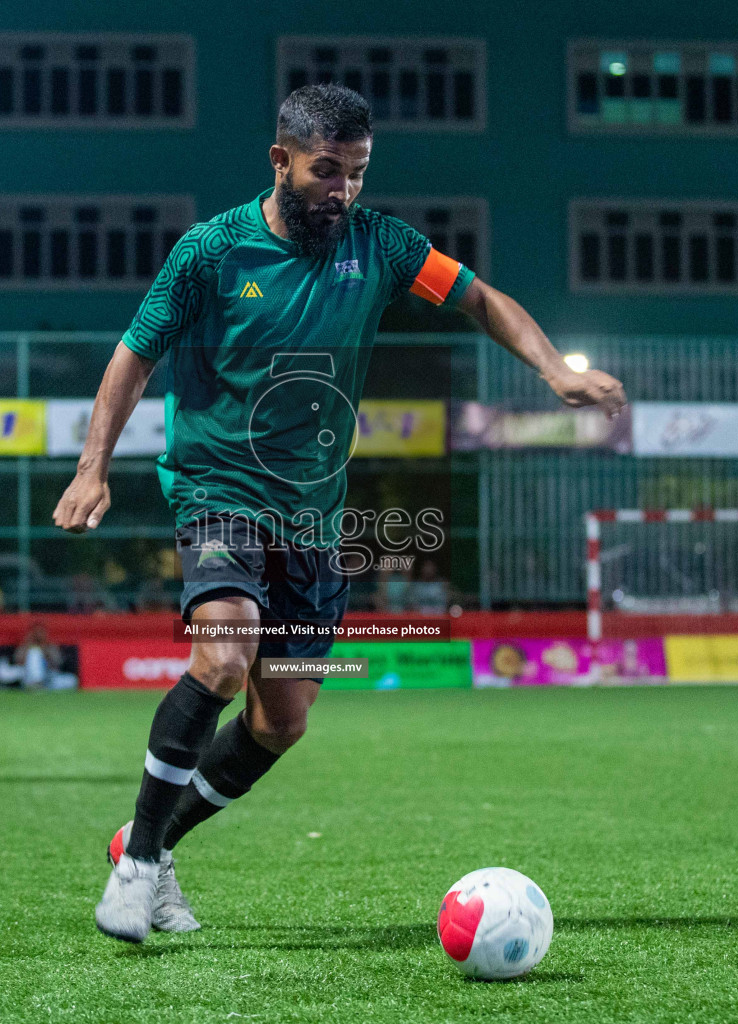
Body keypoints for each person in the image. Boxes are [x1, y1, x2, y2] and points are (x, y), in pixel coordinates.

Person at [53, 84, 626, 943]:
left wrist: (551, 370)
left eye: (357, 174)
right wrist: (93, 467)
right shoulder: (210, 253)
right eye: (328, 171)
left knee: (281, 720)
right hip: (219, 490)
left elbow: (478, 297)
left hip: (313, 521)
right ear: (280, 160)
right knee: (222, 657)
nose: (343, 191)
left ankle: (152, 842)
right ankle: (135, 875)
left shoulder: (383, 244)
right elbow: (134, 356)